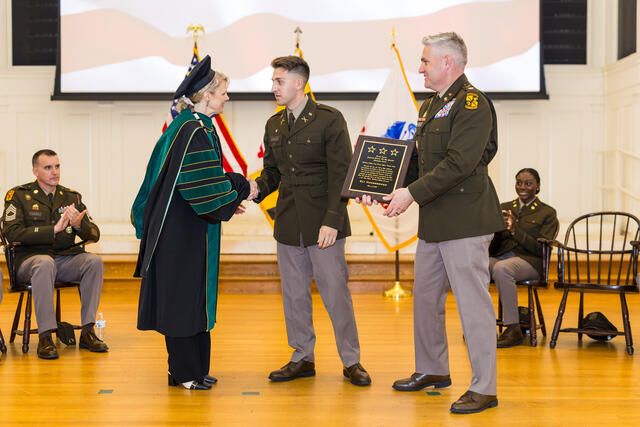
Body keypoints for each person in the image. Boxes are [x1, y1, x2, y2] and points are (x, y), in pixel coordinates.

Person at [358, 32, 503, 413]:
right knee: (425, 300)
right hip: (436, 220)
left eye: (424, 61)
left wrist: (411, 194)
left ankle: (484, 387)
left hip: (466, 221)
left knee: (473, 307)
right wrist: (384, 186)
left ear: (447, 64)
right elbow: (420, 163)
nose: (419, 67)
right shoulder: (431, 105)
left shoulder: (472, 103)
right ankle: (433, 369)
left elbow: (459, 163)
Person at [132, 55, 255, 391]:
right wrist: (241, 189)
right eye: (223, 92)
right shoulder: (191, 130)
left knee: (193, 297)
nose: (226, 98)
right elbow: (201, 185)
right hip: (181, 233)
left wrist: (228, 197)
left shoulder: (195, 126)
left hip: (189, 226)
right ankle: (184, 373)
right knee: (183, 300)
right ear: (205, 95)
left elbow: (206, 181)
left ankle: (196, 369)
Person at [252, 55, 371, 386]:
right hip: (289, 223)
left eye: (278, 81)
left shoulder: (329, 120)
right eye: (273, 81)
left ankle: (351, 361)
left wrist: (332, 220)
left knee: (335, 294)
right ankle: (302, 356)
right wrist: (252, 190)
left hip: (325, 226)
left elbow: (341, 175)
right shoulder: (274, 125)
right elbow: (273, 173)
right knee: (294, 294)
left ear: (298, 84)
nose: (273, 87)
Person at [2, 149, 107, 360]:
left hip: (64, 259)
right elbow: (10, 232)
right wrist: (53, 230)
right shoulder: (19, 196)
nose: (54, 172)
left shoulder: (70, 197)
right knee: (44, 263)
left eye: (57, 166)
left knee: (94, 262)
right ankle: (45, 337)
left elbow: (94, 234)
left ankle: (88, 331)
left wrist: (79, 226)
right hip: (30, 262)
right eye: (48, 167)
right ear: (35, 170)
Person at [489, 168, 558, 347]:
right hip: (501, 257)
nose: (522, 187)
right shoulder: (504, 207)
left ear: (538, 186)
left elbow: (539, 250)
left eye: (528, 183)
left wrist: (514, 231)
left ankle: (513, 328)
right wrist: (496, 230)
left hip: (530, 261)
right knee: (474, 263)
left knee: (502, 269)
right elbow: (493, 248)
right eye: (519, 182)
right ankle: (480, 324)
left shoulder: (547, 213)